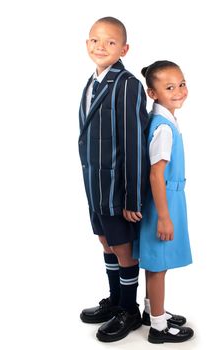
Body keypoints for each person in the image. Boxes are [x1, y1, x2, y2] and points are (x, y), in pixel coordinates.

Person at [78, 16, 149, 342]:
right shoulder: (93, 82)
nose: (100, 47)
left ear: (124, 48)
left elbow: (134, 144)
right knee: (105, 243)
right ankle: (115, 300)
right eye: (95, 40)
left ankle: (129, 310)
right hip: (96, 187)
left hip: (117, 191)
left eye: (109, 42)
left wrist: (133, 198)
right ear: (86, 44)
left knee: (123, 249)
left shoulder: (126, 83)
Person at [134, 60, 194, 343]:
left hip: (169, 199)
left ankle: (152, 310)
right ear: (153, 93)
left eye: (181, 84)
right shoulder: (163, 128)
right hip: (163, 202)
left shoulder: (166, 119)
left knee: (161, 262)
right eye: (169, 87)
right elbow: (156, 175)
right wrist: (164, 217)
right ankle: (158, 328)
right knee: (158, 265)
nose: (179, 90)